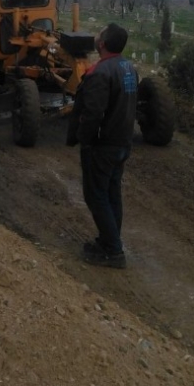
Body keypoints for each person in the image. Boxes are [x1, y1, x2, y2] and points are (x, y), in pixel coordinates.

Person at [66, 22, 138, 269]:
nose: (97, 36)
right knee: (111, 193)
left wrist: (84, 140)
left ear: (102, 44)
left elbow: (92, 113)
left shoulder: (99, 73)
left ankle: (114, 252)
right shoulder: (128, 67)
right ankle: (109, 241)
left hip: (102, 146)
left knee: (95, 195)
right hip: (122, 143)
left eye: (101, 34)